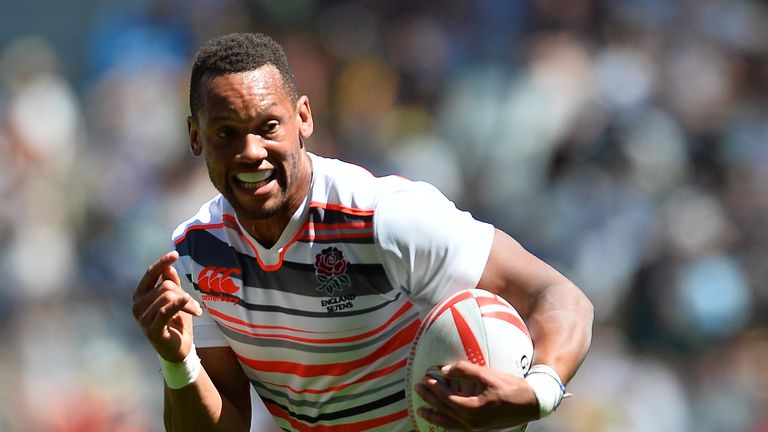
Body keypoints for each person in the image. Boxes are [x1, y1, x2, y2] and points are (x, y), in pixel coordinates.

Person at [131, 32, 593, 432]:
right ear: (195, 137)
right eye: (225, 134)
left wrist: (540, 392)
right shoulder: (196, 253)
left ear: (303, 119)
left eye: (268, 126)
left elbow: (559, 295)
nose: (251, 151)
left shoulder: (384, 218)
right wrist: (179, 363)